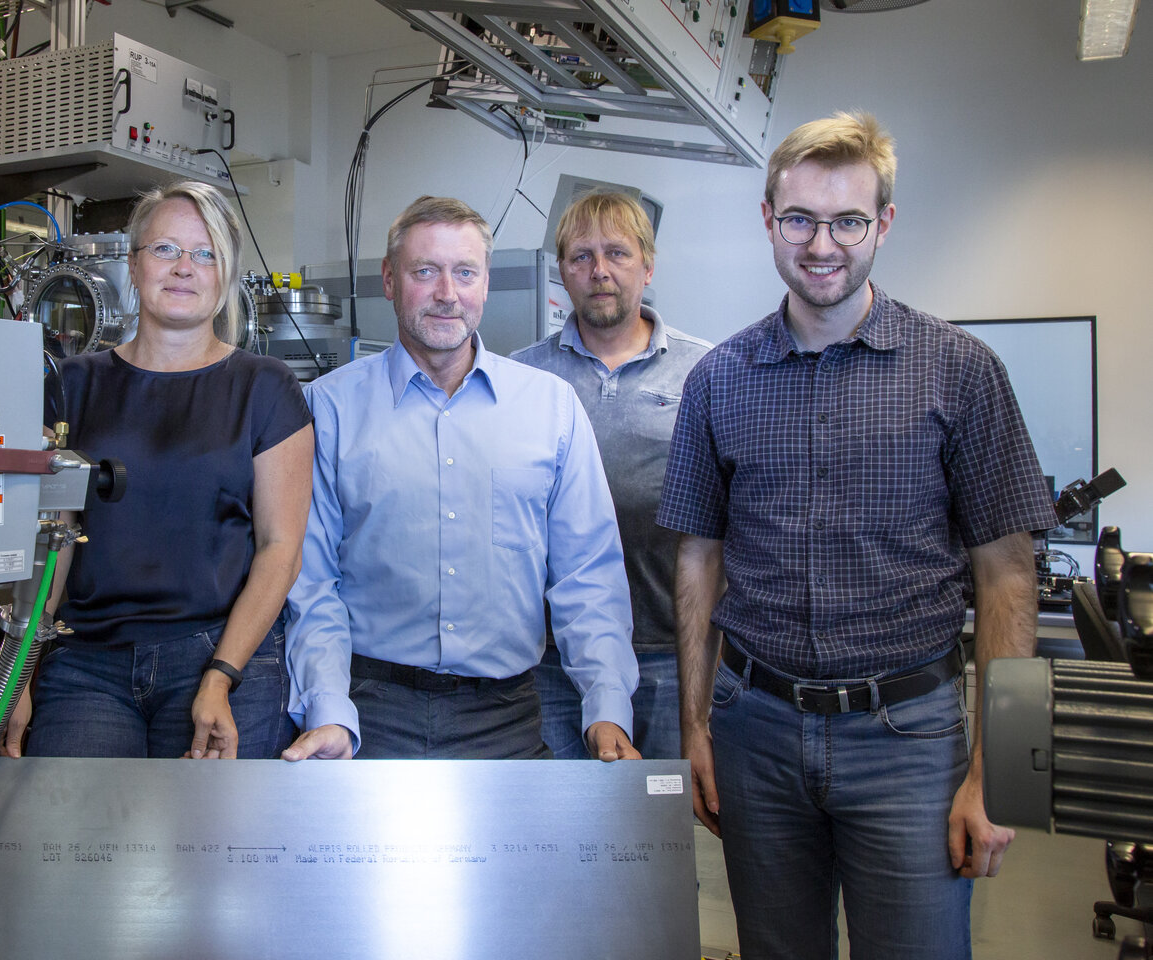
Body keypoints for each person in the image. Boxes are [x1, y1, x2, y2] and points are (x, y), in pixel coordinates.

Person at [657, 112, 1054, 960]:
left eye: (849, 220)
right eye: (799, 218)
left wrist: (1001, 773)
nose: (822, 243)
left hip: (908, 739)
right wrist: (696, 730)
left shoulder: (961, 371)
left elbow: (1008, 579)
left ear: (885, 223)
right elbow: (698, 560)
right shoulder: (718, 381)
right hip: (754, 731)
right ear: (768, 219)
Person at [281, 195, 640, 762]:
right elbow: (311, 580)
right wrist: (328, 709)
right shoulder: (329, 408)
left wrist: (607, 706)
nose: (447, 293)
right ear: (390, 280)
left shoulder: (550, 407)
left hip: (508, 718)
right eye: (426, 271)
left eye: (464, 272)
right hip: (369, 712)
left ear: (486, 283)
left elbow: (586, 574)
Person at [2, 180, 314, 761]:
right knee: (78, 845)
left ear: (225, 275)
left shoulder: (265, 387)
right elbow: (50, 545)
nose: (184, 268)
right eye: (165, 249)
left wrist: (221, 675)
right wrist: (15, 677)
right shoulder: (72, 384)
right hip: (86, 663)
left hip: (220, 653)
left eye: (205, 254)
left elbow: (280, 549)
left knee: (210, 847)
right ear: (134, 264)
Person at [512, 191, 710, 760]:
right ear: (562, 273)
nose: (599, 271)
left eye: (617, 254)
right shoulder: (522, 376)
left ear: (648, 266)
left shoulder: (704, 371)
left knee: (658, 832)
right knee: (562, 829)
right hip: (553, 657)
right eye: (581, 257)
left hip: (672, 651)